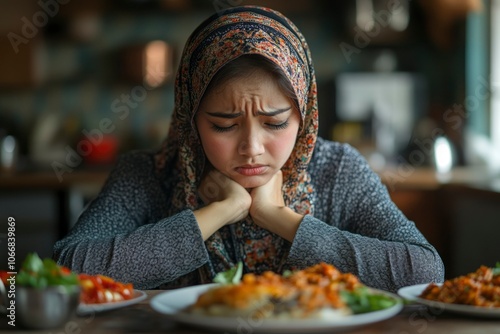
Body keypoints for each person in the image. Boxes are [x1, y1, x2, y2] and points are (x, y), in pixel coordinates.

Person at [53, 5, 444, 292]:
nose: (252, 148)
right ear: (192, 120)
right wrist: (219, 212)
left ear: (304, 119)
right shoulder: (147, 174)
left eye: (275, 123)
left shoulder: (337, 169)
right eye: (223, 125)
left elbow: (424, 271)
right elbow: (68, 269)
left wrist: (278, 218)